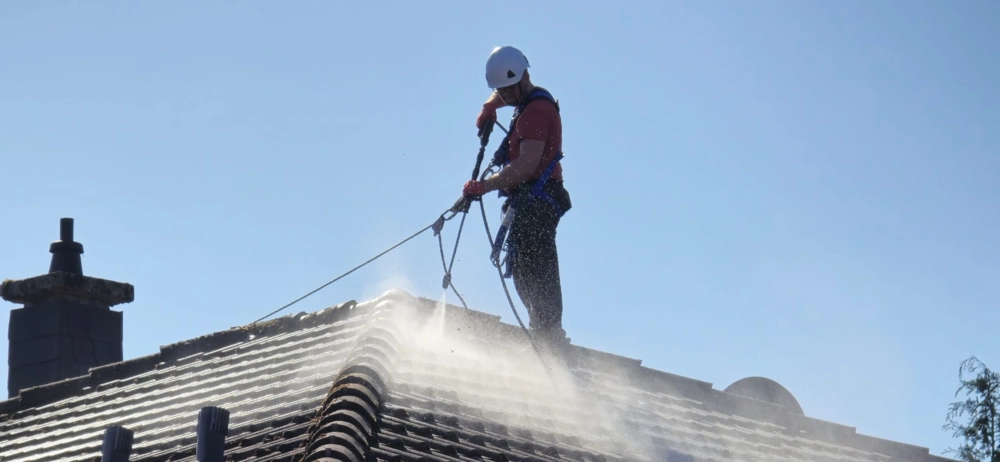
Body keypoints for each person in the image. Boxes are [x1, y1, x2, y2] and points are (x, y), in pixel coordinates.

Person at [462, 46, 573, 350]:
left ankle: (549, 333)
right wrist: (489, 106)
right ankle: (545, 330)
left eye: (509, 92)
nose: (506, 97)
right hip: (531, 198)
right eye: (502, 92)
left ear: (522, 78)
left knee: (535, 265)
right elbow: (501, 93)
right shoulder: (523, 95)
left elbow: (525, 167)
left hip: (539, 197)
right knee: (523, 266)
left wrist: (482, 187)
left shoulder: (536, 111)